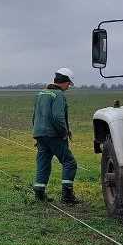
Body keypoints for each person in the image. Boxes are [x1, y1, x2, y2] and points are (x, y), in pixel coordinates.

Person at [31, 67, 79, 204]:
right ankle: (67, 196)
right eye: (69, 83)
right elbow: (58, 117)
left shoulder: (41, 94)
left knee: (43, 163)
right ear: (64, 81)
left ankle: (39, 195)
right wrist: (64, 132)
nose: (69, 86)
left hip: (40, 134)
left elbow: (35, 116)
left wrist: (38, 135)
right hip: (54, 135)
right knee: (70, 162)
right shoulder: (58, 95)